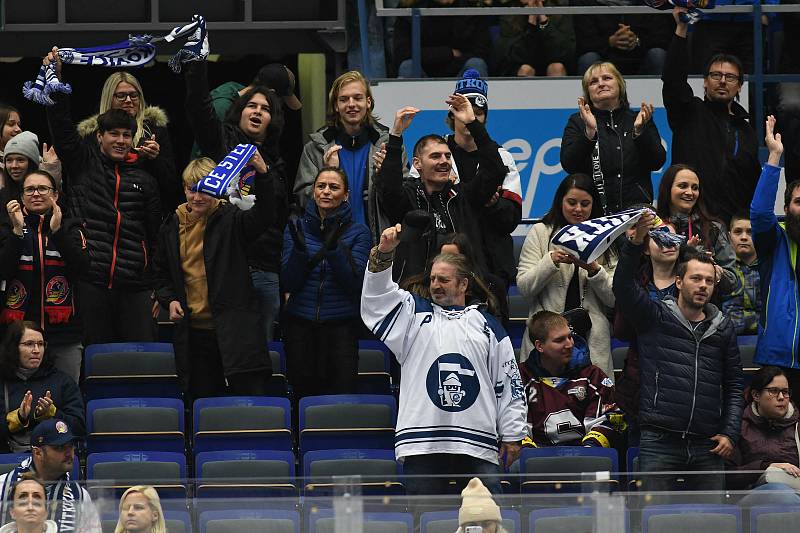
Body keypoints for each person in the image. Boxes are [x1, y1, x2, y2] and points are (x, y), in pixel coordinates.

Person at [361, 224, 527, 495]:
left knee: (484, 519)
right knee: (425, 517)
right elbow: (376, 300)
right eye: (433, 278)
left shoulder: (488, 325)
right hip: (422, 442)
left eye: (444, 280)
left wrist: (512, 434)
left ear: (464, 284)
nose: (435, 285)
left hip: (476, 441)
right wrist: (383, 254)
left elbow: (508, 382)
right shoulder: (412, 317)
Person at [614, 211, 744, 492]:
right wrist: (634, 244)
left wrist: (730, 432)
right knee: (654, 520)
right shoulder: (655, 316)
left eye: (709, 281)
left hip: (708, 445)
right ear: (679, 282)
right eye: (696, 278)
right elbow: (623, 287)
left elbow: (734, 386)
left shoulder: (723, 328)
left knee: (710, 523)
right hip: (660, 441)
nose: (703, 286)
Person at [43, 49, 161, 346]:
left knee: (140, 360)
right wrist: (56, 79)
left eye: (126, 135)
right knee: (98, 360)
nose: (120, 141)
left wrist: (158, 286)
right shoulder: (83, 163)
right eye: (114, 135)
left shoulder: (144, 178)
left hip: (135, 285)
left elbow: (155, 234)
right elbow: (61, 126)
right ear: (99, 136)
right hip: (92, 280)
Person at [184, 54, 290, 344]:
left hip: (264, 269)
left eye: (265, 109)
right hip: (225, 265)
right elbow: (199, 109)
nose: (257, 112)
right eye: (251, 106)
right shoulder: (222, 142)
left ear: (272, 119)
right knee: (224, 347)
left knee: (263, 351)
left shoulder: (276, 164)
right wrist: (197, 63)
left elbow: (279, 220)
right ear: (240, 112)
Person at [152, 157, 274, 401]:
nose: (197, 197)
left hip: (236, 331)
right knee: (205, 411)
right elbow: (160, 271)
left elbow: (267, 213)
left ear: (218, 189)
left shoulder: (234, 217)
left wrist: (264, 175)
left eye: (205, 189)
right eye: (191, 189)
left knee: (249, 410)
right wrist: (170, 300)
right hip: (194, 335)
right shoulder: (171, 224)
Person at [375, 98, 505, 283]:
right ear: (417, 164)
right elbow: (390, 188)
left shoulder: (464, 196)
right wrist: (395, 135)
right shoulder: (407, 198)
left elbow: (495, 171)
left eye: (447, 156)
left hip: (461, 294)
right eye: (435, 156)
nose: (444, 161)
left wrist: (473, 124)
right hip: (416, 293)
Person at [662, 7, 760, 225]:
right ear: (705, 82)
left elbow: (752, 185)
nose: (723, 81)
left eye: (730, 77)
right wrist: (681, 29)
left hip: (732, 229)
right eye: (716, 75)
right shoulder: (688, 111)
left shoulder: (746, 131)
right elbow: (673, 79)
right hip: (690, 222)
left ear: (740, 86)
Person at [281, 167, 371, 401]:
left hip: (341, 327)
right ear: (313, 192)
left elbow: (355, 283)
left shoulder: (359, 232)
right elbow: (289, 282)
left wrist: (333, 248)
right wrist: (299, 254)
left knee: (342, 395)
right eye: (321, 186)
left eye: (334, 187)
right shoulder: (296, 228)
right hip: (300, 326)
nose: (326, 192)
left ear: (346, 195)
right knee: (303, 396)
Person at [516, 174, 616, 378]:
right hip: (546, 342)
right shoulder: (540, 232)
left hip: (592, 343)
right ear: (560, 201)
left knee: (592, 407)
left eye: (585, 204)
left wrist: (594, 270)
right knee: (542, 407)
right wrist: (550, 261)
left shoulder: (606, 238)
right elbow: (524, 288)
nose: (578, 209)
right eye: (571, 202)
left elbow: (615, 299)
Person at [294, 70, 407, 242]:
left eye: (358, 98)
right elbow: (303, 199)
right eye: (344, 99)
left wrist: (387, 175)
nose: (351, 104)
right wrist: (328, 172)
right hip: (329, 244)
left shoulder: (388, 146)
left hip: (377, 244)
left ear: (368, 102)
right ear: (335, 106)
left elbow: (404, 199)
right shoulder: (315, 148)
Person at [0, 170, 88, 382]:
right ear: (21, 197)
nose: (36, 194)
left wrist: (57, 232)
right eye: (29, 190)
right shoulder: (7, 228)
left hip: (64, 334)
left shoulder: (71, 226)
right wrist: (17, 233)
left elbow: (84, 269)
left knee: (66, 398)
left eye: (43, 189)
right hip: (19, 335)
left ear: (55, 195)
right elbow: (3, 271)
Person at [441, 70, 522, 289]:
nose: (470, 118)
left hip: (492, 267)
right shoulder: (435, 153)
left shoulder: (502, 156)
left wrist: (494, 204)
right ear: (451, 115)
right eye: (463, 111)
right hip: (446, 266)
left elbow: (511, 219)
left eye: (477, 113)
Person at [560, 62, 665, 214]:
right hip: (594, 215)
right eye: (593, 82)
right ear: (587, 92)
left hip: (635, 214)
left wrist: (639, 133)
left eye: (607, 78)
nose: (601, 84)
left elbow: (657, 162)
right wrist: (589, 133)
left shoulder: (638, 119)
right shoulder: (577, 121)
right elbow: (569, 165)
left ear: (620, 84)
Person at [76, 72, 180, 216]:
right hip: (101, 213)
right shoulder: (92, 134)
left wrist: (154, 159)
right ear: (109, 98)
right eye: (121, 95)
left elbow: (171, 185)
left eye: (134, 95)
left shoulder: (155, 130)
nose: (129, 100)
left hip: (144, 213)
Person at [521, 311, 623, 449]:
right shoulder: (521, 377)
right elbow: (511, 423)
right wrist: (530, 454)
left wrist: (588, 451)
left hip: (586, 456)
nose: (569, 344)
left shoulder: (592, 376)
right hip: (535, 460)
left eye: (570, 337)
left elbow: (611, 418)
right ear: (539, 346)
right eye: (559, 340)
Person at [613, 219, 680, 427]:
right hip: (641, 381)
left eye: (673, 238)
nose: (668, 244)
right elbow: (621, 331)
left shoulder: (695, 281)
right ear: (647, 250)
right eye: (659, 238)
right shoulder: (634, 284)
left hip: (681, 381)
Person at [751, 116, 800, 393]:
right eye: (798, 202)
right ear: (787, 207)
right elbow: (758, 213)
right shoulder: (774, 240)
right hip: (777, 360)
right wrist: (774, 158)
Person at [0, 420, 101, 533]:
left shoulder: (81, 497)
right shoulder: (2, 486)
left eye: (71, 445)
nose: (69, 452)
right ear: (38, 453)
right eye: (60, 447)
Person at [654, 163, 739, 296]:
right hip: (659, 305)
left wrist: (713, 271)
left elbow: (733, 281)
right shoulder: (654, 226)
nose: (690, 192)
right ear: (668, 189)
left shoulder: (714, 228)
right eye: (682, 186)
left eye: (695, 188)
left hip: (702, 309)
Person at [0, 321, 85, 452]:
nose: (36, 350)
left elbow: (78, 428)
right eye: (29, 344)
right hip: (8, 457)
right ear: (13, 347)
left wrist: (53, 414)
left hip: (53, 457)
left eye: (40, 344)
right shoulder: (3, 381)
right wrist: (19, 418)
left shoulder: (62, 381)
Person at [728, 366, 800, 491]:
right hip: (751, 496)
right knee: (778, 490)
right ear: (756, 395)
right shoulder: (738, 427)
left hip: (796, 490)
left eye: (785, 391)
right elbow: (727, 476)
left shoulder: (797, 426)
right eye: (774, 391)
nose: (782, 397)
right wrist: (765, 467)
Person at [393, 0, 491, 78]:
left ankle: (475, 103)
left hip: (460, 72)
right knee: (408, 66)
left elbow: (482, 52)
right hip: (424, 73)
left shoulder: (472, 7)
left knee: (476, 65)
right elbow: (402, 53)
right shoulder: (410, 6)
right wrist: (449, 53)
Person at [571, 2, 674, 75]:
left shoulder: (650, 2)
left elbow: (662, 37)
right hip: (604, 60)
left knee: (658, 55)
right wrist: (609, 42)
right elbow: (583, 42)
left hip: (640, 59)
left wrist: (637, 40)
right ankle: (588, 104)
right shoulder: (586, 2)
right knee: (588, 58)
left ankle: (663, 102)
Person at [494, 0, 574, 77]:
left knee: (556, 68)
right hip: (519, 66)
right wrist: (531, 23)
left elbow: (564, 52)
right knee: (526, 69)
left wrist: (543, 20)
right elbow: (512, 55)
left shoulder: (559, 11)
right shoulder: (510, 14)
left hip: (551, 62)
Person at [0, 133, 61, 218]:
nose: (14, 166)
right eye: (9, 160)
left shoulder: (47, 195)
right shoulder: (2, 195)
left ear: (32, 163)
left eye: (20, 160)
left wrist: (51, 173)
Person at [722, 211, 761, 335]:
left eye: (750, 232)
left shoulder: (770, 268)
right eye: (738, 231)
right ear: (729, 236)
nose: (744, 237)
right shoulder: (722, 269)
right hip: (727, 338)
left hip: (765, 338)